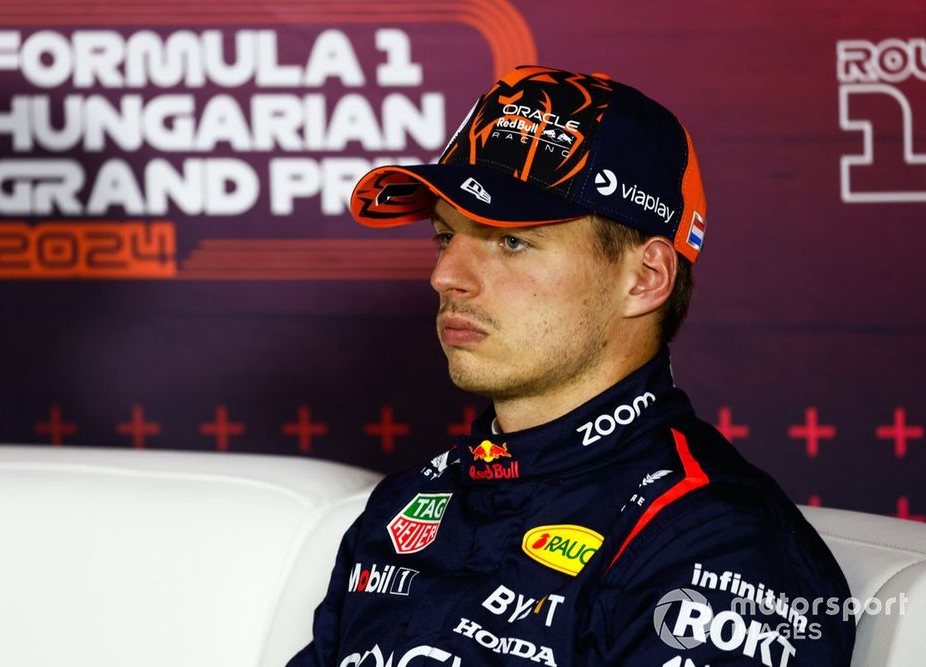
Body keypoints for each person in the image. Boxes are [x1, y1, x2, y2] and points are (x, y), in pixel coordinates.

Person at [289, 65, 855, 666]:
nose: (445, 276)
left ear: (645, 278)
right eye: (444, 237)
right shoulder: (407, 502)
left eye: (511, 241)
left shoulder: (715, 545)